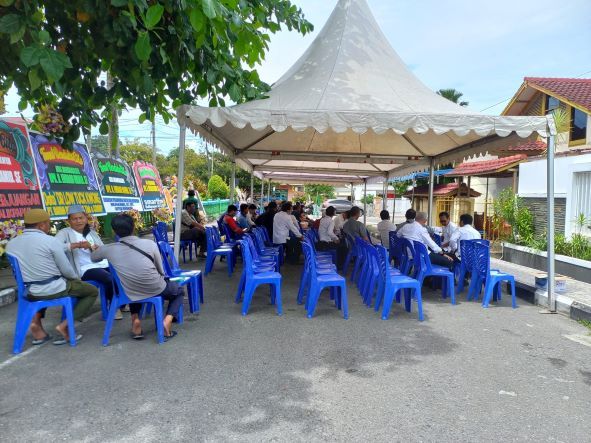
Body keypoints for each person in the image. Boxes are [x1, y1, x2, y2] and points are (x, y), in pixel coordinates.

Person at [6, 209, 98, 346]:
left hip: (30, 291)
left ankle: (36, 325)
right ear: (42, 225)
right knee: (91, 291)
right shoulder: (50, 241)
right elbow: (67, 270)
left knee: (43, 285)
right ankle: (65, 326)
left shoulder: (11, 244)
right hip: (53, 288)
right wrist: (75, 279)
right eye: (48, 223)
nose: (49, 226)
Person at [91, 214, 184, 341]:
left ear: (114, 231)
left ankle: (135, 320)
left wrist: (98, 248)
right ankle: (167, 321)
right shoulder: (149, 244)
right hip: (155, 287)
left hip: (129, 292)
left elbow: (93, 258)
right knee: (178, 291)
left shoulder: (108, 249)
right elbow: (161, 270)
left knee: (132, 286)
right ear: (133, 227)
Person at [55, 205, 122, 320]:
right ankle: (113, 306)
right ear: (69, 221)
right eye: (74, 219)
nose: (78, 221)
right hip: (84, 268)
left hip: (101, 264)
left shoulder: (91, 232)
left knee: (121, 273)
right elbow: (54, 247)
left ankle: (121, 302)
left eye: (81, 218)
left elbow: (102, 248)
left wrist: (97, 248)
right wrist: (77, 245)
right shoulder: (64, 233)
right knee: (109, 278)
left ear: (86, 219)